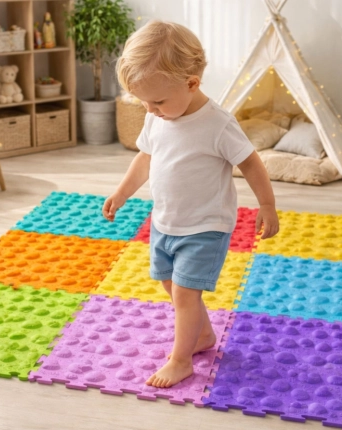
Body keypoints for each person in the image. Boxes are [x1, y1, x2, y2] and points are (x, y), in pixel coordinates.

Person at [102, 21, 279, 388]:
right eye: (144, 102)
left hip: (206, 226)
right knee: (170, 284)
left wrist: (267, 205)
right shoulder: (157, 118)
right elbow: (145, 158)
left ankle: (180, 360)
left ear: (192, 84)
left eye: (158, 101)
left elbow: (250, 163)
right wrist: (122, 192)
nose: (150, 109)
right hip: (165, 221)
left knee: (185, 292)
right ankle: (202, 335)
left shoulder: (217, 124)